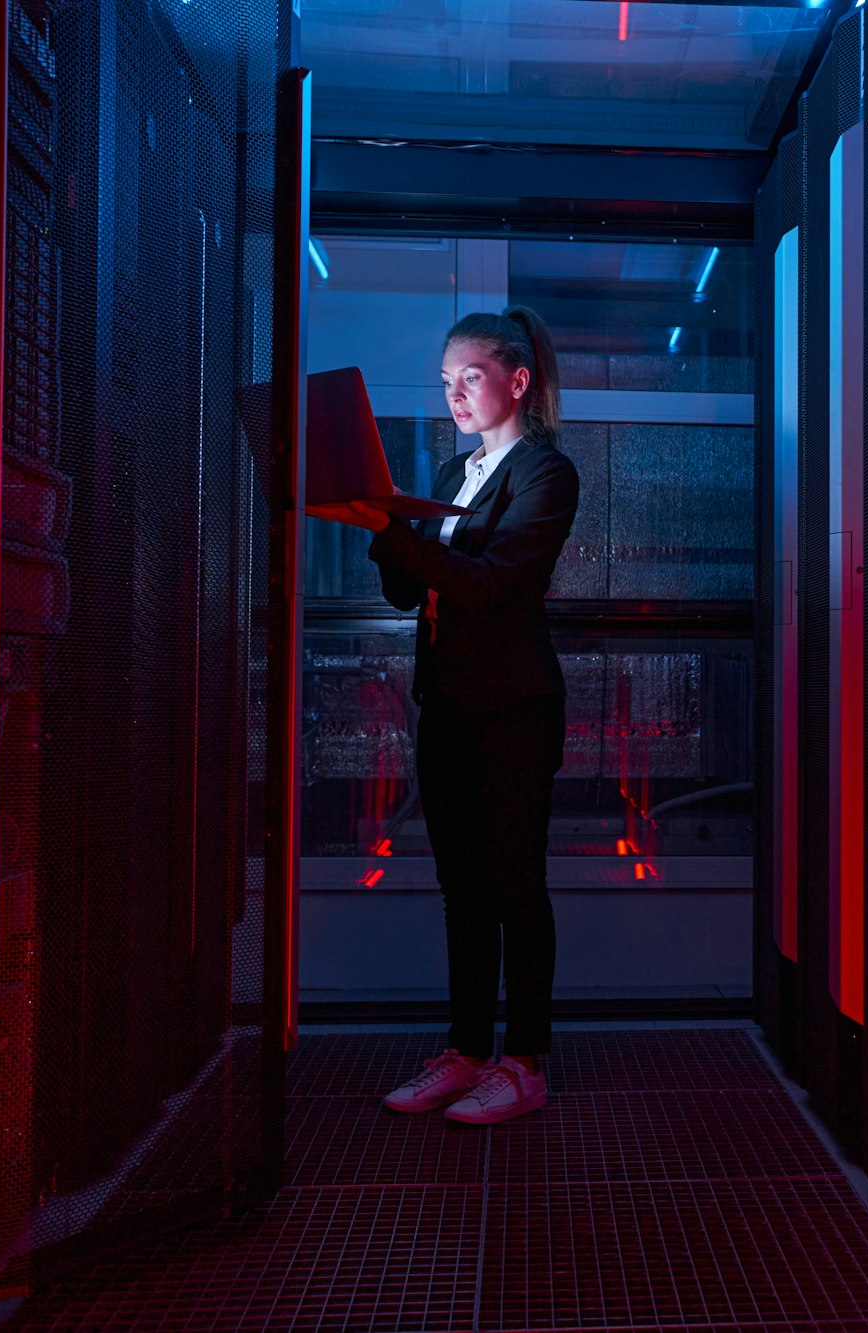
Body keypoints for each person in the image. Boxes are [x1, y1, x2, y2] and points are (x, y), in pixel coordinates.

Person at [312, 307, 579, 1125]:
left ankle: (523, 1062)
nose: (456, 394)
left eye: (470, 377)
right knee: (463, 887)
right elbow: (407, 590)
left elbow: (491, 583)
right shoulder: (457, 472)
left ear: (517, 381)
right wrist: (381, 523)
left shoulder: (544, 472)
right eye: (446, 382)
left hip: (513, 709)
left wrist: (394, 525)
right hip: (451, 703)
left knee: (514, 885)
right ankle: (466, 1052)